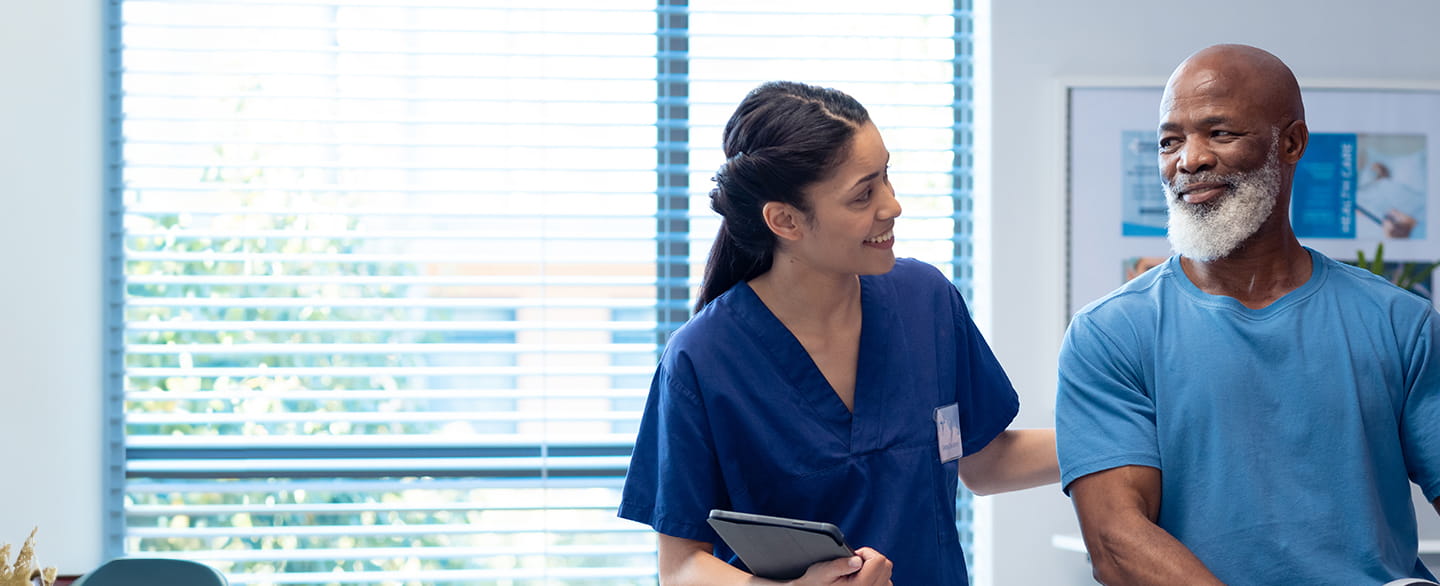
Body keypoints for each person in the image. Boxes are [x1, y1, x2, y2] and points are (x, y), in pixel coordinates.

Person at [618, 81, 1058, 585]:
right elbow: (680, 567)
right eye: (863, 194)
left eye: (887, 177)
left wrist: (1132, 436)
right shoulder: (703, 358)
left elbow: (983, 459)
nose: (892, 205)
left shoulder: (927, 300)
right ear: (785, 220)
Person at [1056, 44, 1440, 585]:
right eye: (1170, 141)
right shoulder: (1110, 334)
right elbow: (1116, 541)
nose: (1189, 160)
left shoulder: (1401, 323)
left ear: (1291, 142)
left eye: (1219, 133)